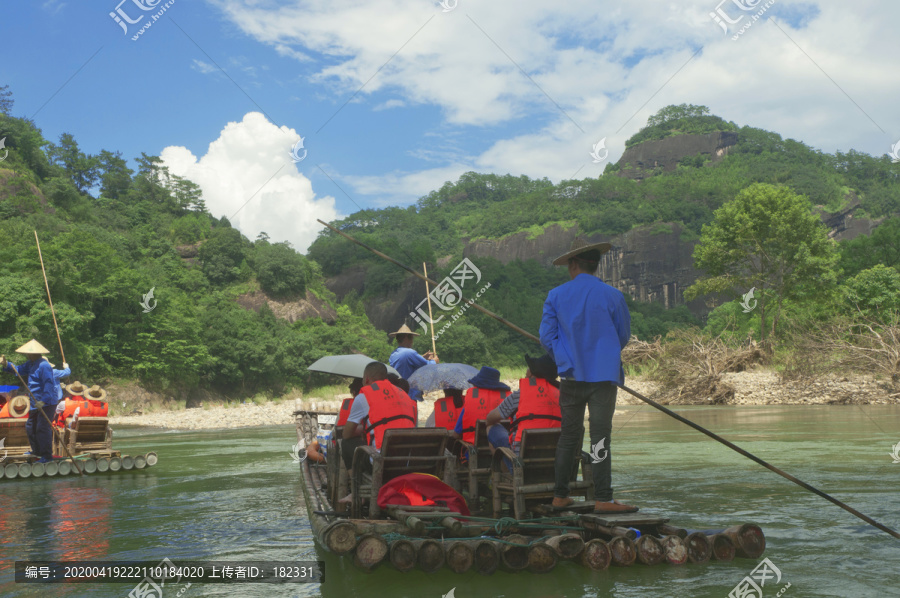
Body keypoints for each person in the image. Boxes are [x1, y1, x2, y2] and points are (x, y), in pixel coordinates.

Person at [540, 238, 634, 514]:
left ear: (572, 265)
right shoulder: (613, 295)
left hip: (570, 377)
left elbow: (546, 337)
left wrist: (566, 358)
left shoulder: (555, 295)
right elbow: (623, 335)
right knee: (600, 437)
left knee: (569, 436)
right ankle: (603, 497)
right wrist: (603, 355)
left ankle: (560, 495)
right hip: (604, 377)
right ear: (594, 267)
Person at [340, 361, 418, 503]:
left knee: (346, 443)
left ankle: (357, 493)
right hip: (408, 462)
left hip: (382, 463)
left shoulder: (364, 396)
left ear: (366, 379)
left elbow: (346, 433)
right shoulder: (403, 394)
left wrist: (363, 430)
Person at [485, 354, 561, 456]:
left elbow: (490, 418)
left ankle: (507, 470)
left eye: (526, 376)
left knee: (491, 427)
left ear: (532, 376)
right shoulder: (563, 396)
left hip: (521, 460)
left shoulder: (520, 394)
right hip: (556, 458)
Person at [0, 340, 60, 463]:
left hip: (47, 402)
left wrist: (43, 401)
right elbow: (18, 370)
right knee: (30, 426)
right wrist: (6, 364)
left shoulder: (44, 365)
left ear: (34, 354)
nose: (27, 355)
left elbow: (49, 384)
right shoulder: (31, 363)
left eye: (28, 353)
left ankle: (47, 456)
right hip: (34, 401)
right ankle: (36, 451)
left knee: (42, 427)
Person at [452, 367, 511, 444]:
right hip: (501, 451)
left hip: (473, 450)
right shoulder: (508, 398)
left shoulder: (471, 398)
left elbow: (456, 435)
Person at [388, 324, 438, 401]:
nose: (412, 341)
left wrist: (422, 357)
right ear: (405, 337)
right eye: (411, 337)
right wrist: (434, 361)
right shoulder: (409, 353)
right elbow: (428, 365)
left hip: (398, 391)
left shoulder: (394, 353)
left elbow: (408, 361)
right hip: (409, 394)